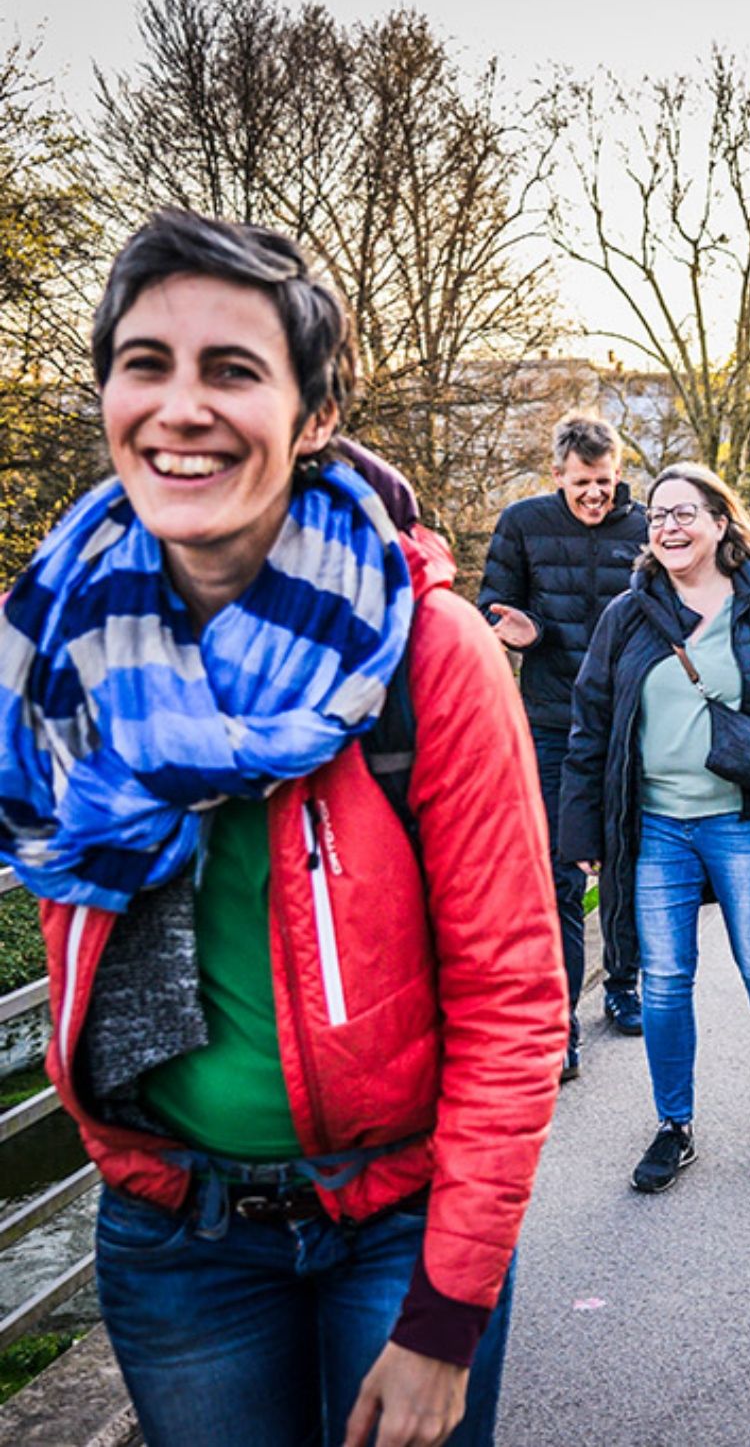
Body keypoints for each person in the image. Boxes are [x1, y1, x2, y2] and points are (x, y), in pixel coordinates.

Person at [0, 210, 567, 1447]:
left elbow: (513, 999)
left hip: (395, 1220)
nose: (179, 407)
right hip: (174, 1234)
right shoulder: (50, 650)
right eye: (144, 364)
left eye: (232, 369)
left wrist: (446, 1317)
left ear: (314, 416)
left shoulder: (424, 654)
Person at [560, 463, 750, 1193]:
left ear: (721, 523)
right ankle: (674, 1125)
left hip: (740, 820)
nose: (669, 527)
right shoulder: (628, 615)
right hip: (656, 827)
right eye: (658, 516)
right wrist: (583, 834)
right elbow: (590, 728)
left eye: (685, 513)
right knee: (663, 982)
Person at [479, 411, 649, 1059]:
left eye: (604, 480)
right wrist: (527, 632)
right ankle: (561, 1022)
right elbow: (493, 606)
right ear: (557, 475)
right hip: (553, 724)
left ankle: (624, 985)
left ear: (618, 473)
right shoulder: (523, 524)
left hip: (630, 725)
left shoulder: (645, 529)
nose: (594, 494)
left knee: (628, 860)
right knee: (560, 877)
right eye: (581, 483)